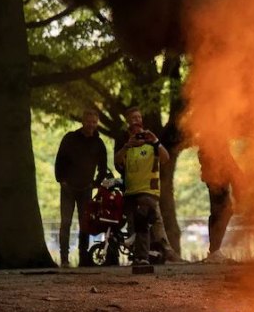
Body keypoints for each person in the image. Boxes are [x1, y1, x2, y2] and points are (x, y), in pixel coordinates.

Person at [114, 107, 178, 269]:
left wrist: (155, 141)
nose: (136, 120)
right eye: (132, 118)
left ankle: (145, 257)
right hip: (130, 191)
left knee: (143, 220)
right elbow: (117, 162)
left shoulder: (151, 141)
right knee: (136, 225)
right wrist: (127, 146)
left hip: (148, 191)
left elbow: (165, 158)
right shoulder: (124, 141)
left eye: (138, 117)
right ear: (127, 121)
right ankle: (150, 254)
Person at [54, 109, 108, 267]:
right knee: (66, 223)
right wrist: (61, 180)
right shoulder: (70, 138)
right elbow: (60, 160)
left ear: (96, 123)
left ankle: (83, 257)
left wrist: (96, 183)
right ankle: (64, 258)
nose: (91, 125)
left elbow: (103, 168)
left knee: (85, 223)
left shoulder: (99, 143)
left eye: (94, 122)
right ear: (83, 121)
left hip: (86, 188)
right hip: (68, 188)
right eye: (88, 121)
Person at [199, 145, 238, 263]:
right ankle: (214, 251)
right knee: (220, 212)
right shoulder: (213, 141)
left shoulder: (217, 139)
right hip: (217, 179)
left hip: (218, 178)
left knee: (223, 211)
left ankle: (214, 251)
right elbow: (227, 161)